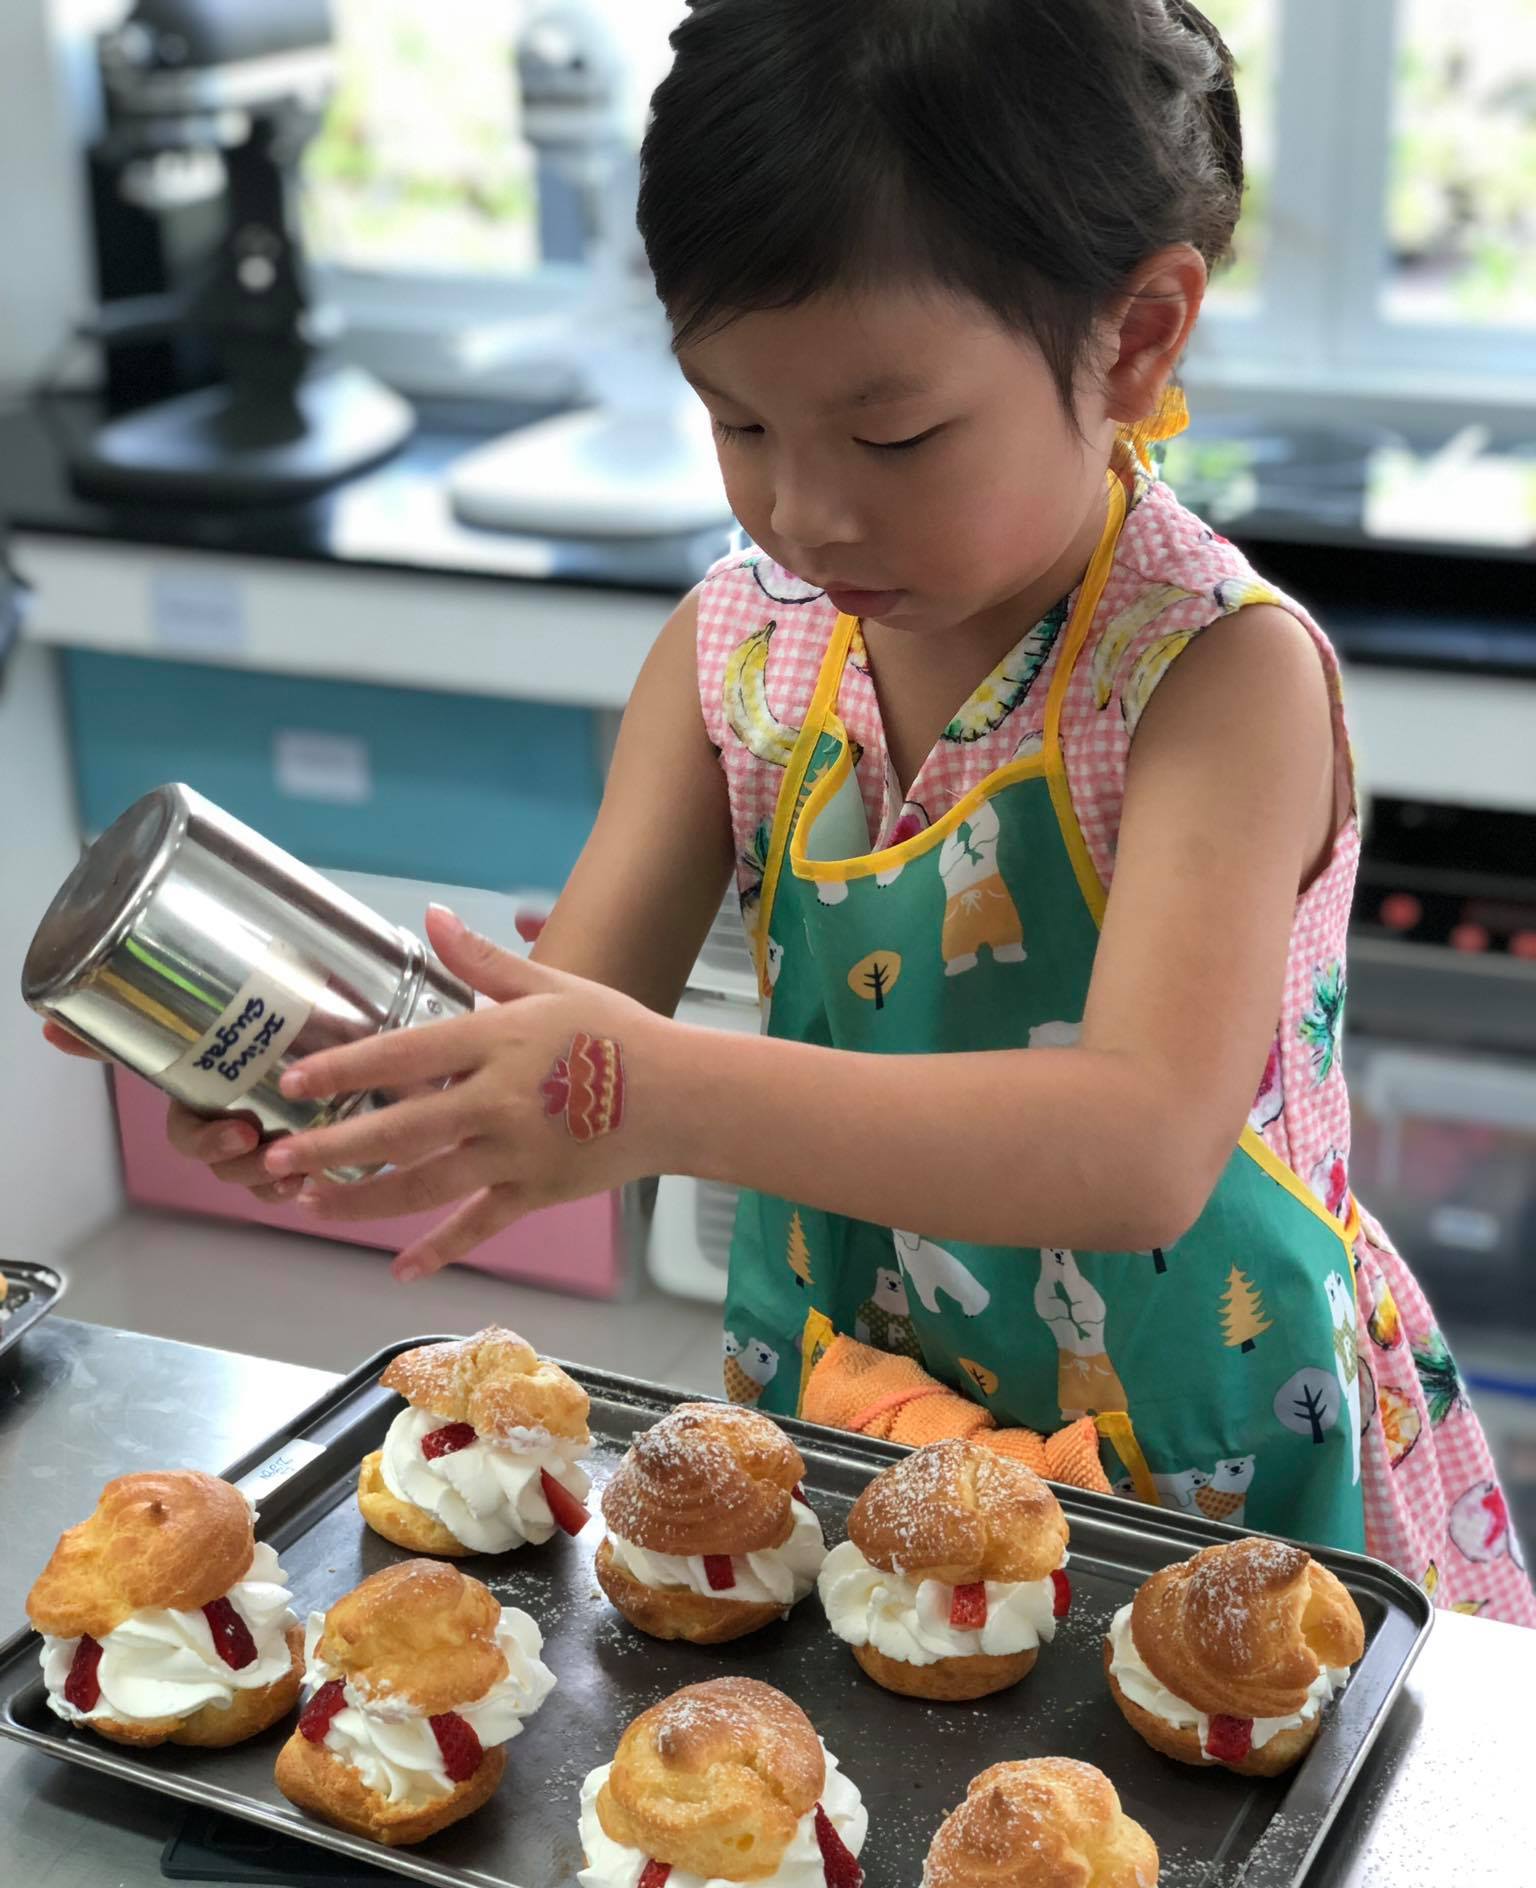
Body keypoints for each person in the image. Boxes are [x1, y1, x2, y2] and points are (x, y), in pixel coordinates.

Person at [48, 0, 1534, 1624]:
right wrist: (336, 1089)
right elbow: (559, 1052)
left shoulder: (1209, 677)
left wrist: (647, 1089)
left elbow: (1139, 1148)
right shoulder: (736, 651)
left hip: (1200, 1463)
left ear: (1138, 337)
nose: (804, 512)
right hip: (848, 1408)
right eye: (739, 422)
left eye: (894, 434)